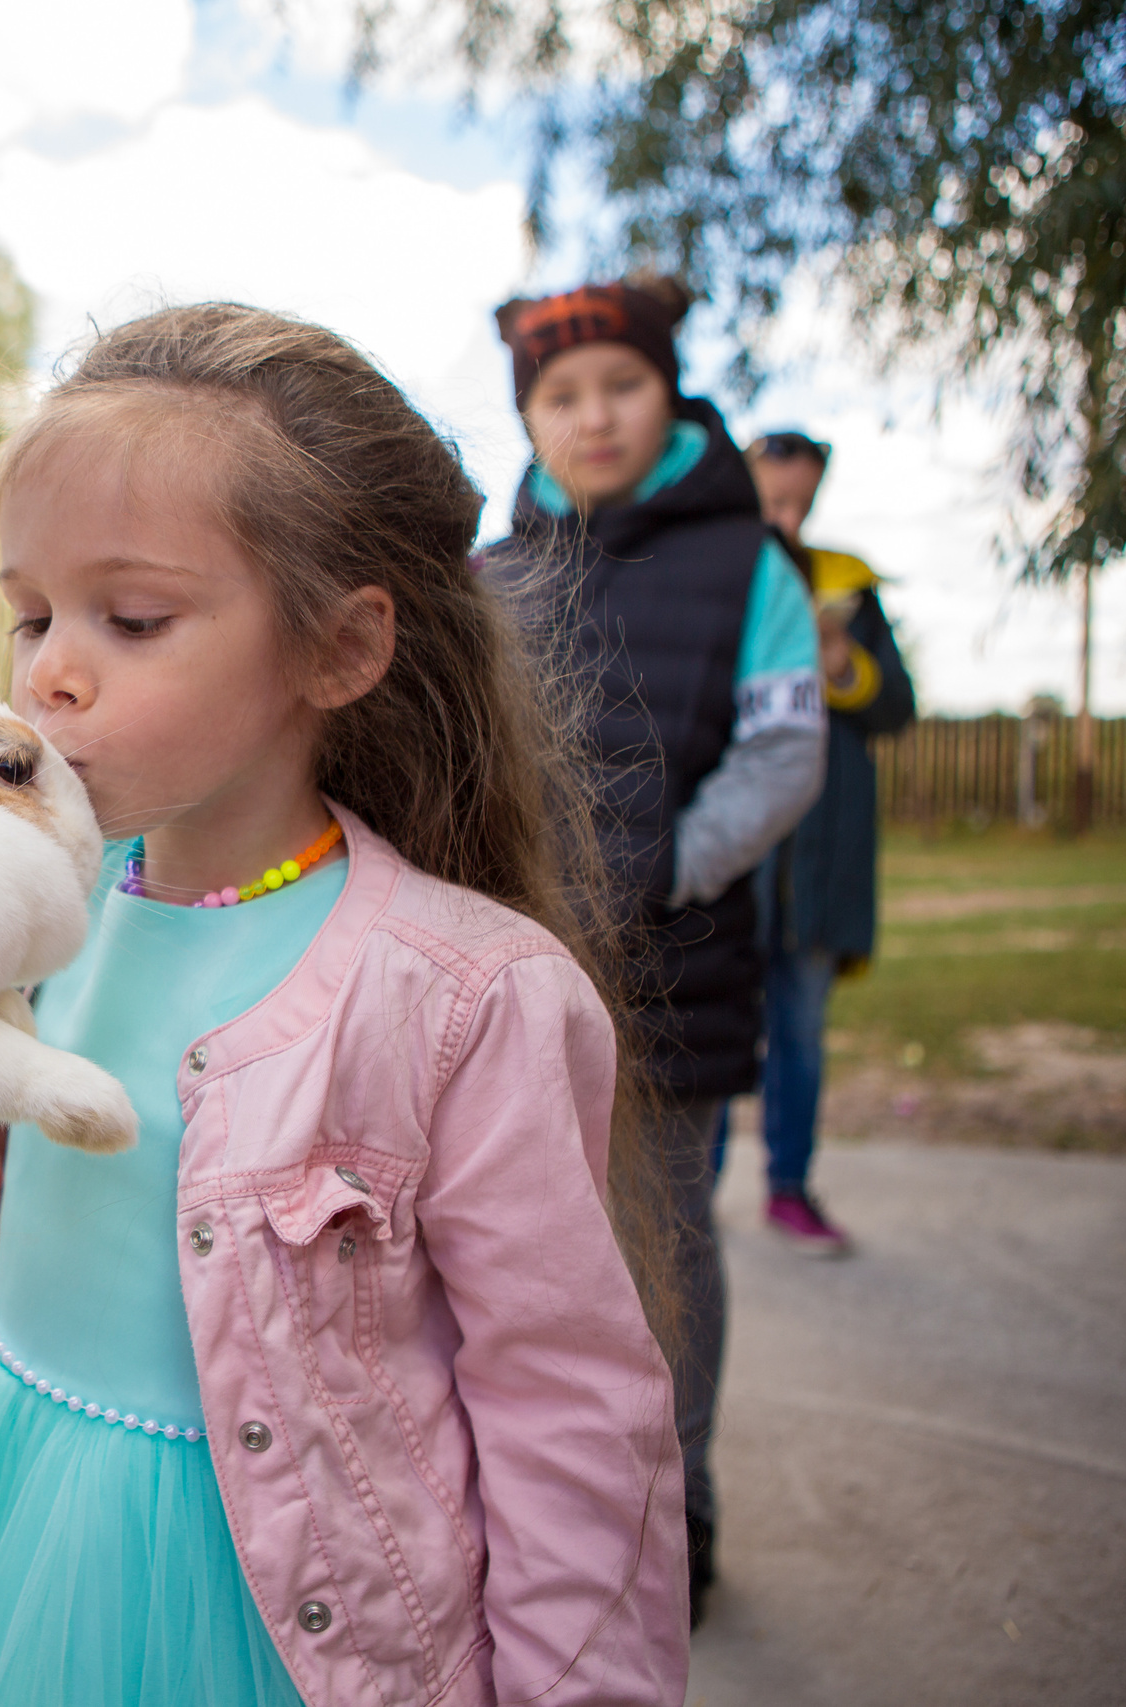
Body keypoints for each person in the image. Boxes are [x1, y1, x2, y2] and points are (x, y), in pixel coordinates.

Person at [0, 304, 688, 1707]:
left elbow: (571, 1415)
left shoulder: (467, 998)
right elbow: (19, 1121)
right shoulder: (48, 909)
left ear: (337, 650)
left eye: (132, 618)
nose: (48, 669)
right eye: (32, 612)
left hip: (264, 1601)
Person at [477, 275, 826, 1625]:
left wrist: (673, 865)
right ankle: (544, 1500)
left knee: (663, 1236)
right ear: (530, 417)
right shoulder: (494, 573)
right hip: (515, 969)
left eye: (619, 384)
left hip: (676, 968)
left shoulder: (755, 567)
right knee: (517, 1237)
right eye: (559, 397)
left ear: (669, 392)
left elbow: (785, 746)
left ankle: (678, 1504)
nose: (593, 415)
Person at [724, 431, 918, 1253]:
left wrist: (840, 662)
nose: (788, 514)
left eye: (801, 499)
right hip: (739, 852)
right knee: (717, 1018)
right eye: (774, 496)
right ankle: (687, 1197)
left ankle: (790, 1187)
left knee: (799, 1026)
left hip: (818, 852)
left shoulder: (848, 585)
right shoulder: (723, 572)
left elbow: (896, 708)